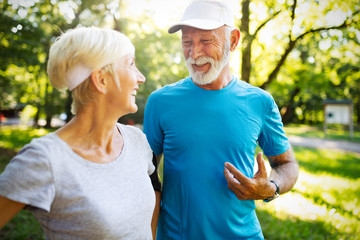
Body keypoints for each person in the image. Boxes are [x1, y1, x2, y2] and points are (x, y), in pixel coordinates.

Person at [143, 0, 299, 239]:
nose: (194, 53)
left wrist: (271, 187)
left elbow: (287, 164)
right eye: (187, 42)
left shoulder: (260, 101)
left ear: (233, 41)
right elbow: (145, 175)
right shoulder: (160, 101)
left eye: (206, 41)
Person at [0, 27, 161, 240]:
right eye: (130, 64)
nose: (141, 77)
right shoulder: (44, 159)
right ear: (101, 79)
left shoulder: (137, 141)